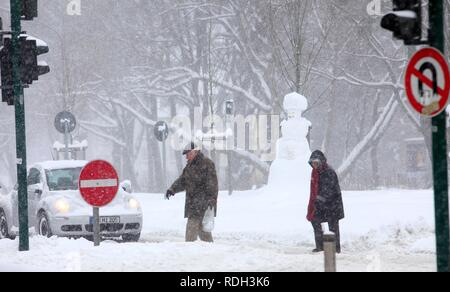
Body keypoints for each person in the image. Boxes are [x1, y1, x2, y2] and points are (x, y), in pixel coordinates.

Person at [166, 142, 218, 243]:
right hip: (193, 204)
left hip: (203, 204)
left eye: (188, 154)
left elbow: (213, 184)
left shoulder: (207, 164)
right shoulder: (189, 167)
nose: (186, 157)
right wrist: (172, 189)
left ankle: (189, 250)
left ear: (195, 152)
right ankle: (210, 249)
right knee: (203, 231)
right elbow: (182, 181)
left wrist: (212, 199)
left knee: (191, 232)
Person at [307, 150, 344, 253]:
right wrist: (314, 202)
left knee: (333, 227)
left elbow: (330, 190)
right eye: (313, 163)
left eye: (316, 162)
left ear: (321, 162)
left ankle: (335, 249)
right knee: (315, 220)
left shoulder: (329, 172)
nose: (314, 165)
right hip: (319, 204)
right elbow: (314, 189)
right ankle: (320, 246)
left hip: (333, 205)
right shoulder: (315, 172)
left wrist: (320, 199)